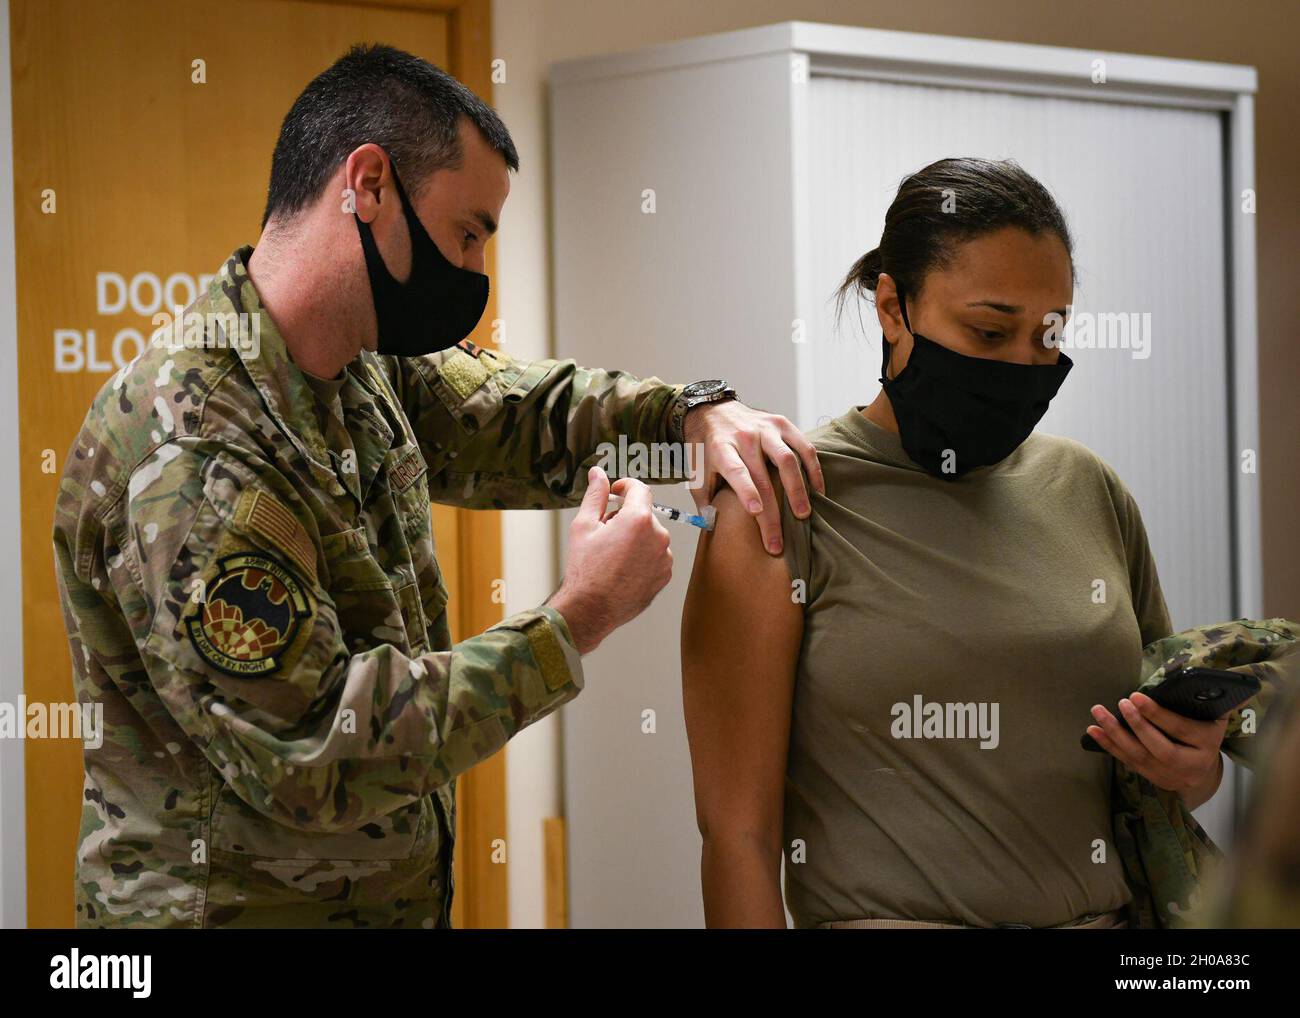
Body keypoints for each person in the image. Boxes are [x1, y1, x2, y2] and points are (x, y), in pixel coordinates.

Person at [51, 43, 822, 929]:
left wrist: (686, 422)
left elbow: (522, 418)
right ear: (368, 186)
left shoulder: (356, 368)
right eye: (466, 234)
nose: (472, 275)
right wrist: (579, 619)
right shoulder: (193, 450)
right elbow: (317, 752)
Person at [681, 157, 1229, 929]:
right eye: (988, 329)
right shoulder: (783, 503)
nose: (1024, 365)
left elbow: (1163, 775)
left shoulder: (1089, 490)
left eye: (1048, 336)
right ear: (893, 308)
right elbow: (737, 836)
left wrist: (1194, 768)